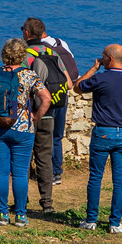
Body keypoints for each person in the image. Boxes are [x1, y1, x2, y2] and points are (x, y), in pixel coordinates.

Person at [0, 37, 50, 227]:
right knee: (20, 173)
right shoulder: (29, 75)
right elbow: (46, 98)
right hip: (22, 129)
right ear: (22, 55)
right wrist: (36, 116)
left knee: (1, 171)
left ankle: (2, 214)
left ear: (4, 54)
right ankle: (20, 216)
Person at [72, 45, 122, 234]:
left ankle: (91, 220)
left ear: (109, 60)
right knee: (119, 180)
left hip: (103, 133)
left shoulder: (101, 78)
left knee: (96, 177)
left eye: (103, 57)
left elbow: (77, 87)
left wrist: (94, 68)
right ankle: (115, 223)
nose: (102, 60)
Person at [23, 18, 78, 187]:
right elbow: (69, 84)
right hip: (58, 101)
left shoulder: (27, 54)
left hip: (37, 105)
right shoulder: (53, 52)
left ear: (27, 33)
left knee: (31, 140)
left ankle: (29, 173)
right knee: (56, 138)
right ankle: (56, 173)